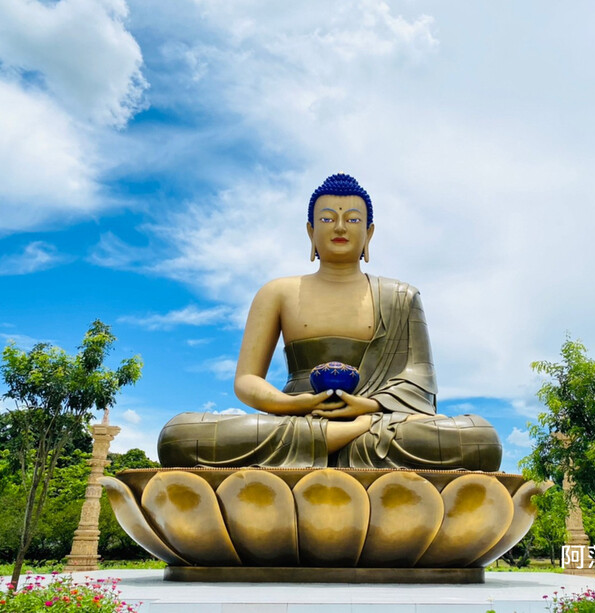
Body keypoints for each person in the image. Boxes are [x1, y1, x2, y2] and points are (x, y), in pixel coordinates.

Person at [158, 174, 502, 470]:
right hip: (296, 421)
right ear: (310, 231)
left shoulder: (401, 296)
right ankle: (339, 439)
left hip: (380, 423)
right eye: (327, 219)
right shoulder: (277, 292)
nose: (339, 227)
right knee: (181, 435)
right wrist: (299, 404)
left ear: (369, 233)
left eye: (352, 219)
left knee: (479, 439)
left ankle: (333, 441)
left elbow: (419, 386)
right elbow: (247, 380)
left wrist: (367, 409)